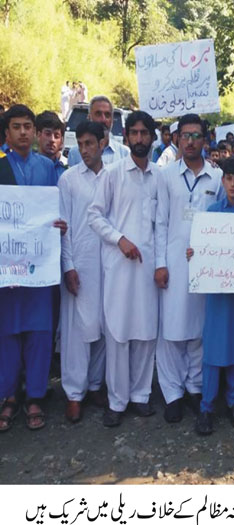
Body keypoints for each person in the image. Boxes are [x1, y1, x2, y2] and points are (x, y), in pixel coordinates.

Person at [87, 110, 160, 427]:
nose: (140, 138)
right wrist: (120, 240)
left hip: (149, 269)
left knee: (145, 333)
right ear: (126, 137)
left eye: (145, 133)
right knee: (118, 333)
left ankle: (141, 396)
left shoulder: (160, 177)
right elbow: (94, 215)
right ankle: (117, 401)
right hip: (119, 267)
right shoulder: (113, 174)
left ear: (153, 138)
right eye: (135, 133)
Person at [0, 105, 66, 432]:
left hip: (39, 268)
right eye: (17, 127)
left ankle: (36, 395)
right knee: (8, 333)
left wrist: (60, 225)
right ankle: (10, 395)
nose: (24, 132)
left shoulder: (48, 168)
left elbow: (57, 210)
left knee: (40, 332)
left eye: (28, 126)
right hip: (7, 269)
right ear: (7, 133)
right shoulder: (0, 166)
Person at [154, 114, 222, 423]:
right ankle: (172, 393)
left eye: (196, 136)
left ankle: (195, 387)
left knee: (199, 329)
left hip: (206, 265)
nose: (191, 141)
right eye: (185, 135)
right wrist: (160, 263)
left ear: (205, 140)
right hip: (173, 261)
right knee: (172, 330)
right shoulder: (166, 175)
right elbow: (160, 223)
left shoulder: (217, 177)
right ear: (177, 139)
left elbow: (225, 220)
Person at [189, 157, 234, 435]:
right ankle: (207, 407)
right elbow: (201, 249)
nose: (233, 184)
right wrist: (194, 254)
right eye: (229, 179)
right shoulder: (210, 214)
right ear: (222, 181)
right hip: (218, 294)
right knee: (214, 350)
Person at [59, 121, 109, 423]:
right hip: (79, 263)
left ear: (103, 143)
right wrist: (68, 266)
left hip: (108, 264)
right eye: (80, 144)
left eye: (89, 143)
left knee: (102, 326)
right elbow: (64, 226)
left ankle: (94, 385)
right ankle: (74, 393)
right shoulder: (69, 179)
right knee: (76, 332)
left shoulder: (113, 176)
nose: (84, 149)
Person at [68, 96, 130, 167]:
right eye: (98, 114)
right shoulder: (75, 154)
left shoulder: (124, 153)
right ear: (89, 117)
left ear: (112, 120)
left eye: (107, 115)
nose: (103, 120)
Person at [36, 111, 67, 180]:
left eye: (56, 136)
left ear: (62, 140)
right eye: (48, 134)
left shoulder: (67, 171)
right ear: (38, 135)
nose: (52, 140)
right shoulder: (27, 168)